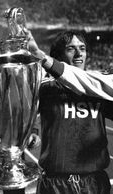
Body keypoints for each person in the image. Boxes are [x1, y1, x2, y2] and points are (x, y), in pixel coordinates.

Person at [28, 30, 113, 194]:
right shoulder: (45, 87)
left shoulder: (98, 88)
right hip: (56, 183)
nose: (79, 53)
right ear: (58, 55)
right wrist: (33, 133)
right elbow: (29, 117)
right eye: (71, 49)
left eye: (83, 48)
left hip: (94, 183)